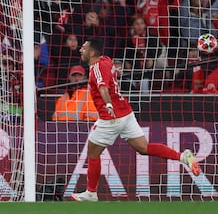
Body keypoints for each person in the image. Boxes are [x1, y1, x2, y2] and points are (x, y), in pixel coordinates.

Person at [71, 37, 201, 202]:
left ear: (93, 52)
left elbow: (103, 88)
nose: (81, 50)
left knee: (93, 152)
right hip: (126, 113)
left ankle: (91, 192)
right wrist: (115, 73)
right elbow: (110, 72)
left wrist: (108, 104)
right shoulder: (106, 60)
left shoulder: (97, 67)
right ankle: (183, 156)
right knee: (143, 147)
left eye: (84, 47)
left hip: (111, 117)